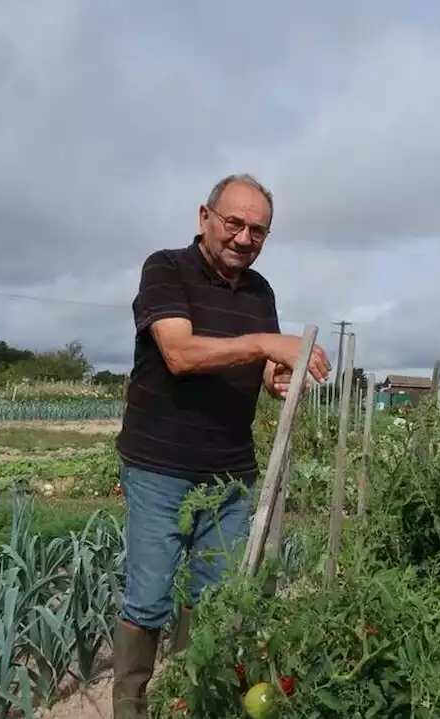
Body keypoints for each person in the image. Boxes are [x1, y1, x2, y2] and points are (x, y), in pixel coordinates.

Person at [112, 173, 331, 718]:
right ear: (204, 218)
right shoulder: (165, 268)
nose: (244, 238)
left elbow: (259, 368)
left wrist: (277, 377)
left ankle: (191, 703)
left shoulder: (261, 292)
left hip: (231, 473)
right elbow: (180, 354)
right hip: (159, 465)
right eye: (234, 223)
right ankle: (130, 710)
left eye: (259, 230)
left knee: (210, 604)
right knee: (148, 598)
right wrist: (265, 343)